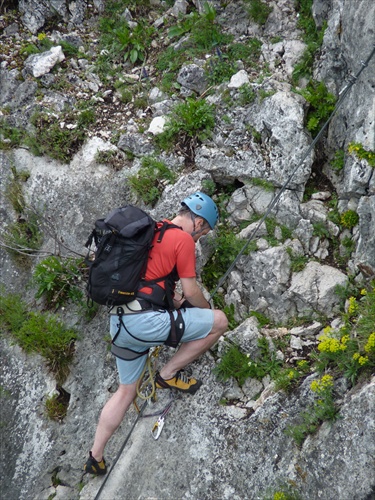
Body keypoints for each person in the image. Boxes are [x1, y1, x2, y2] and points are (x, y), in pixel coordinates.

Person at [84, 192, 228, 475]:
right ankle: (168, 375)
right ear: (198, 222)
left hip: (120, 323)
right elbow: (191, 291)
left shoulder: (152, 232)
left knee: (126, 391)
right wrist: (206, 310)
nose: (200, 238)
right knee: (219, 322)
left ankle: (95, 456)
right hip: (145, 323)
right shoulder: (183, 240)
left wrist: (173, 303)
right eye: (204, 231)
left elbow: (152, 283)